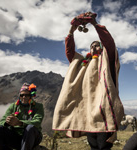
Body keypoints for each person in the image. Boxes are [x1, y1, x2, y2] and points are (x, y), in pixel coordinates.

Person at [52, 12, 124, 150]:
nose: (94, 47)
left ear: (101, 48)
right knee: (93, 145)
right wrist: (71, 32)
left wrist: (95, 24)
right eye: (92, 46)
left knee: (103, 146)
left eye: (97, 45)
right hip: (88, 113)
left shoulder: (106, 60)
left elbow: (109, 43)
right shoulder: (83, 63)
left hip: (103, 111)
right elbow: (70, 53)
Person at [0, 83, 44, 150]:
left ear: (31, 96)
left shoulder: (38, 106)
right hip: (16, 137)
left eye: (27, 95)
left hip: (32, 137)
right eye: (22, 95)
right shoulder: (13, 106)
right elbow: (2, 121)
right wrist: (7, 122)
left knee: (30, 128)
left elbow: (37, 122)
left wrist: (20, 123)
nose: (24, 97)